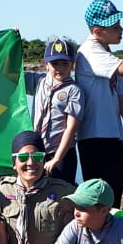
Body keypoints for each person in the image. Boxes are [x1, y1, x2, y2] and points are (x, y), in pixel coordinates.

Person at [75, 0, 123, 205]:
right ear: (98, 31)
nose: (121, 29)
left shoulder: (106, 54)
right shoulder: (90, 51)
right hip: (94, 137)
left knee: (113, 196)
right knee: (98, 199)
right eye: (115, 26)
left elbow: (122, 99)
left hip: (111, 136)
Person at [30, 37, 86, 183]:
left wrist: (57, 158)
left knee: (61, 196)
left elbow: (71, 128)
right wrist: (13, 44)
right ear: (46, 64)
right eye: (55, 63)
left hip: (62, 153)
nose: (60, 68)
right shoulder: (38, 81)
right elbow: (10, 74)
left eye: (65, 64)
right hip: (37, 152)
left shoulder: (74, 91)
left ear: (72, 65)